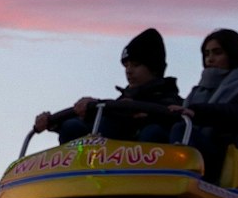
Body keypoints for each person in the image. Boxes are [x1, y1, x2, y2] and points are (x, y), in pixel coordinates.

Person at [32, 29, 181, 143]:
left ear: (153, 67)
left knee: (139, 129)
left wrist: (130, 111)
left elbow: (169, 120)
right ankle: (71, 172)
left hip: (142, 167)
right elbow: (93, 124)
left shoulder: (170, 101)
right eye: (126, 65)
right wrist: (54, 123)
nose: (129, 70)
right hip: (105, 168)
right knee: (72, 127)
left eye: (136, 65)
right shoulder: (122, 100)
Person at [172, 28, 238, 177]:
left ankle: (179, 176)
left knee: (180, 129)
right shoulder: (197, 91)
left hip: (224, 155)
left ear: (233, 54)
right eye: (207, 54)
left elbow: (235, 112)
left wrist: (197, 113)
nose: (210, 59)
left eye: (217, 53)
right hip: (196, 145)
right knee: (154, 132)